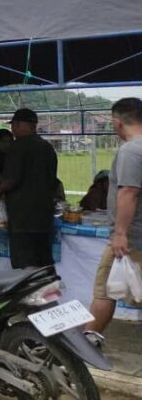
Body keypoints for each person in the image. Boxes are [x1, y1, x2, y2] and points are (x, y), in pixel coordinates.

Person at [86, 98, 142, 335]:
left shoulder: (131, 150)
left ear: (117, 122)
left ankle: (89, 342)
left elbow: (129, 191)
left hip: (132, 238)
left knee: (104, 291)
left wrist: (120, 234)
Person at [0, 109, 58, 269]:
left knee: (24, 265)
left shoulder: (18, 146)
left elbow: (11, 179)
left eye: (15, 125)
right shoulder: (47, 147)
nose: (12, 129)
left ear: (22, 125)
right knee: (43, 263)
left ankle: (28, 286)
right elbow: (53, 180)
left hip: (22, 217)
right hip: (44, 215)